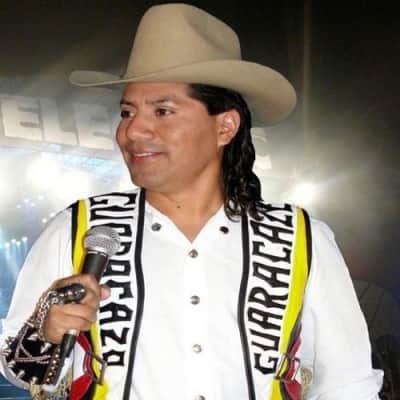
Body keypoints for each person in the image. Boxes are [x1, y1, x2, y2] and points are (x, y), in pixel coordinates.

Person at [0, 3, 383, 400]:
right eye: (127, 112)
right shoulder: (80, 228)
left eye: (162, 111)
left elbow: (348, 383)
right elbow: (19, 370)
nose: (134, 130)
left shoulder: (300, 237)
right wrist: (46, 332)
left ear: (225, 126)